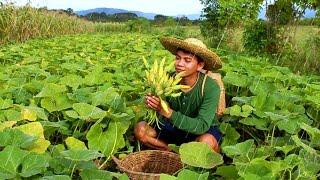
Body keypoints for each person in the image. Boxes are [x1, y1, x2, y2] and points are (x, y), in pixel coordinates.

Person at [134, 37, 223, 153]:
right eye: (177, 58)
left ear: (200, 65)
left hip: (201, 131)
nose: (179, 64)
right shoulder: (166, 78)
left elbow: (201, 126)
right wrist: (152, 102)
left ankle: (188, 156)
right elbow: (159, 107)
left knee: (207, 142)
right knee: (140, 129)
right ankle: (173, 152)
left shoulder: (210, 87)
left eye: (187, 60)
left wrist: (167, 112)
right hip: (174, 127)